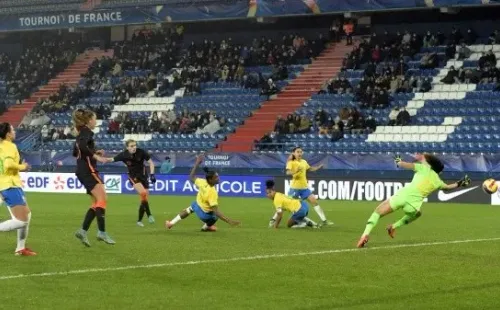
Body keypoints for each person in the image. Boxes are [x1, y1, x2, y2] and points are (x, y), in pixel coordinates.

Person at [356, 153, 471, 248]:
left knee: (377, 213)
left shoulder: (423, 168)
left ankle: (364, 235)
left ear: (430, 165)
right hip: (413, 206)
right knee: (418, 213)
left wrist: (397, 159)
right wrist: (460, 183)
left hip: (401, 197)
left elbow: (402, 164)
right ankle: (394, 227)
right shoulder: (438, 182)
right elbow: (448, 187)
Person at [72, 109, 115, 246]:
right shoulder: (86, 132)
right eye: (95, 119)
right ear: (89, 120)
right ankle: (101, 232)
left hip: (82, 170)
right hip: (88, 170)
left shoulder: (81, 133)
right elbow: (82, 147)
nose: (96, 121)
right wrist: (96, 156)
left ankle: (83, 231)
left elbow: (76, 151)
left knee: (96, 202)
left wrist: (94, 151)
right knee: (102, 199)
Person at [165, 155, 240, 231]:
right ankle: (206, 227)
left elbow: (191, 177)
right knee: (215, 216)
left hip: (197, 206)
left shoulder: (202, 182)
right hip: (206, 216)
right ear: (210, 180)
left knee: (191, 207)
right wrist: (229, 221)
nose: (218, 179)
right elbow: (216, 212)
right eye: (216, 177)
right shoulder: (212, 192)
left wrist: (197, 163)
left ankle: (171, 223)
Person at [270, 147, 333, 227]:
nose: (299, 153)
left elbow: (309, 168)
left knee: (314, 202)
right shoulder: (291, 162)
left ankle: (324, 220)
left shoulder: (304, 162)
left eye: (301, 152)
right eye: (298, 152)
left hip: (304, 188)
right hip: (294, 188)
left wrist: (318, 167)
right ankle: (273, 219)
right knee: (286, 205)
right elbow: (288, 172)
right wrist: (295, 171)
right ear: (294, 153)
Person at [0, 123, 36, 256]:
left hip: (7, 184)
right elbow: (9, 164)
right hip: (10, 185)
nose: (14, 132)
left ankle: (20, 248)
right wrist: (23, 166)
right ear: (8, 134)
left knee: (27, 215)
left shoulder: (2, 145)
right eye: (13, 130)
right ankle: (20, 248)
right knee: (22, 220)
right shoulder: (10, 146)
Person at [105, 140, 156, 227]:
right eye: (131, 146)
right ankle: (149, 215)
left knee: (144, 199)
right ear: (127, 147)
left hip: (143, 176)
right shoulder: (123, 155)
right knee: (143, 193)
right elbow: (112, 159)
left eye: (135, 145)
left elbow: (151, 162)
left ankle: (139, 221)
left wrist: (152, 174)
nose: (134, 147)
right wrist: (102, 158)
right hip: (133, 177)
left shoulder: (141, 152)